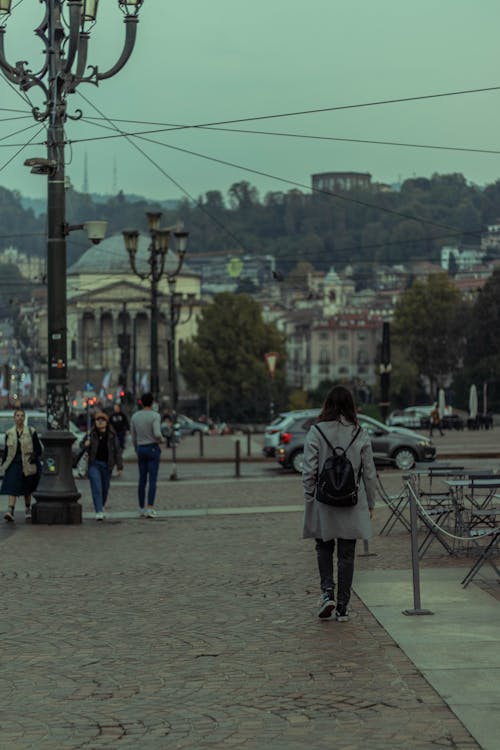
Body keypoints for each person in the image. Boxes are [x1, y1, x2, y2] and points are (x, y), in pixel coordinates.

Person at [302, 386, 377, 622]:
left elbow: (308, 471)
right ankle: (343, 606)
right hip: (351, 501)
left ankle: (327, 594)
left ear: (327, 404)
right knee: (347, 553)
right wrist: (371, 503)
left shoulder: (316, 431)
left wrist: (310, 497)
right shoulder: (359, 432)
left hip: (324, 501)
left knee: (323, 546)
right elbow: (369, 473)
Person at [2, 408, 42, 522]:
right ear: (14, 418)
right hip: (13, 463)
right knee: (12, 487)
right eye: (17, 416)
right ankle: (10, 511)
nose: (20, 418)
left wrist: (33, 457)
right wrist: (2, 466)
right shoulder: (9, 433)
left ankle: (28, 508)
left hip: (27, 462)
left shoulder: (31, 431)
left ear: (24, 418)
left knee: (27, 488)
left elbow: (38, 449)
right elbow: (6, 452)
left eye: (22, 416)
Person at [85, 411, 123, 521]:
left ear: (107, 422)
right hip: (94, 464)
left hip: (107, 465)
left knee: (105, 488)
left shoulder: (112, 435)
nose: (100, 422)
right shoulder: (91, 434)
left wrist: (119, 466)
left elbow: (117, 451)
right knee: (96, 486)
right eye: (98, 420)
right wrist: (86, 444)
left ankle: (101, 505)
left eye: (103, 420)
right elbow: (83, 447)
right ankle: (98, 511)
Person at [130, 392, 163, 518]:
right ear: (152, 402)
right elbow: (157, 433)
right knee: (152, 479)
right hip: (153, 448)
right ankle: (150, 507)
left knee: (142, 479)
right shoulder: (155, 416)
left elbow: (133, 436)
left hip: (141, 448)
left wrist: (136, 448)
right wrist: (162, 440)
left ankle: (141, 507)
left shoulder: (135, 416)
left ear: (141, 402)